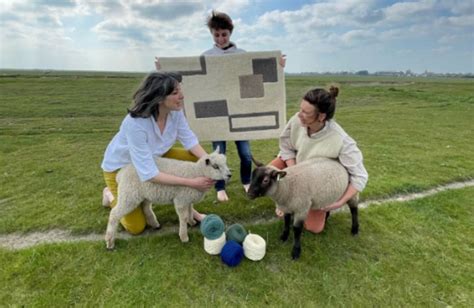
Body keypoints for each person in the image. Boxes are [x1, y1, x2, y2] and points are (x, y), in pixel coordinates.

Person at [101, 72, 214, 235]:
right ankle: (110, 194)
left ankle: (190, 212)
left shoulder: (175, 111)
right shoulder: (135, 124)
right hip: (121, 167)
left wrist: (211, 165)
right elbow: (149, 174)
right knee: (136, 227)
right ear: (159, 98)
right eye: (175, 93)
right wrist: (192, 183)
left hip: (155, 158)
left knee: (198, 161)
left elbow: (190, 141)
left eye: (180, 90)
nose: (182, 96)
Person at [270, 86, 368, 233]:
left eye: (305, 112)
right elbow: (286, 147)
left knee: (314, 228)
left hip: (318, 179)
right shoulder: (297, 120)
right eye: (300, 109)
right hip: (295, 164)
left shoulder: (340, 140)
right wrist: (292, 171)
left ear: (321, 116)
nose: (299, 115)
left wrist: (339, 202)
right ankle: (286, 199)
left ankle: (322, 209)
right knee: (266, 173)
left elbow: (360, 176)